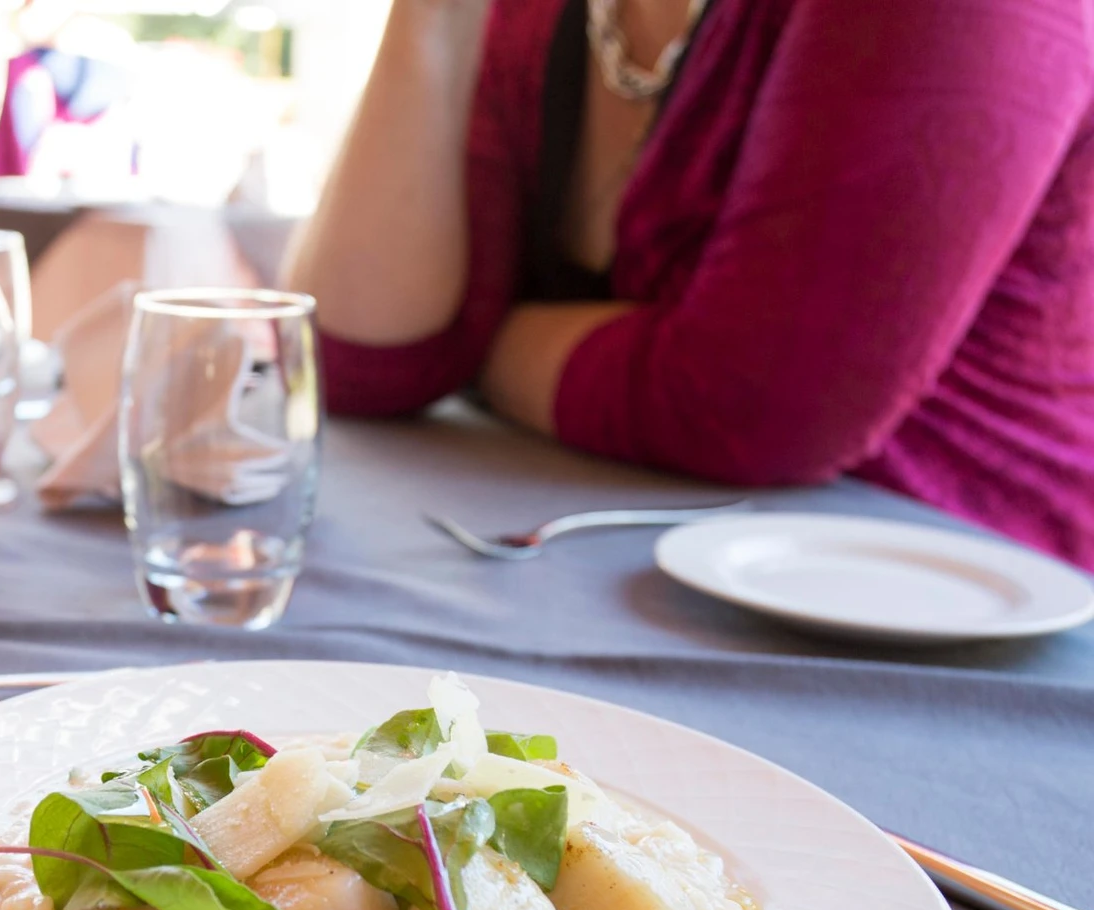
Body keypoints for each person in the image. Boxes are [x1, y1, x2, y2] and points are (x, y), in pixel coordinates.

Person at [286, 0, 1094, 570]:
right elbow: (361, 354)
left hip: (961, 621)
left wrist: (475, 340)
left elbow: (748, 405)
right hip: (625, 568)